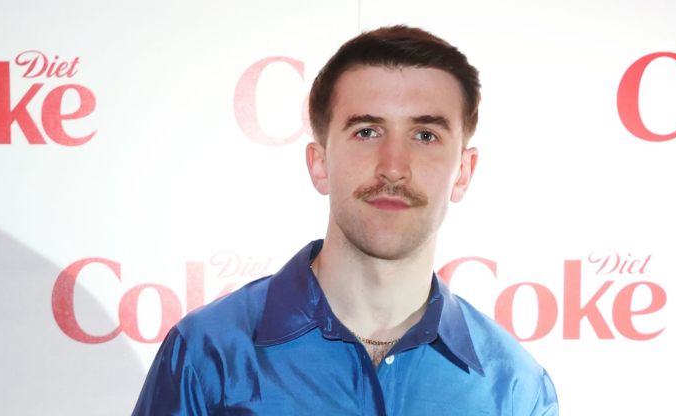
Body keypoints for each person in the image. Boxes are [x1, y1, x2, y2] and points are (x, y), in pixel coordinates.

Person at [132, 25, 558, 415]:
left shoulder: (515, 390)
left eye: (425, 135)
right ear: (319, 164)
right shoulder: (210, 356)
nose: (393, 167)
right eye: (367, 131)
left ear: (463, 172)